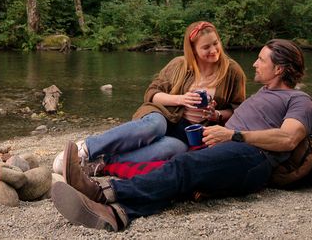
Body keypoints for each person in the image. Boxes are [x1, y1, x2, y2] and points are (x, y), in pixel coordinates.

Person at [51, 39, 312, 232]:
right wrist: (214, 119)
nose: (255, 63)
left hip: (253, 158)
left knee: (183, 166)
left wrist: (235, 136)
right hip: (227, 152)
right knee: (178, 176)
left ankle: (103, 193)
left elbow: (288, 138)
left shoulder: (299, 100)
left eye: (261, 59)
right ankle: (117, 214)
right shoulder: (264, 94)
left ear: (280, 69)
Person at [54, 21, 246, 174]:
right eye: (206, 47)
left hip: (189, 133)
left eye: (216, 43)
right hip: (163, 114)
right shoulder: (179, 65)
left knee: (174, 149)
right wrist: (181, 99)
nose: (213, 50)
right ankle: (86, 148)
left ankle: (101, 162)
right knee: (155, 126)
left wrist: (216, 115)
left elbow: (239, 110)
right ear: (193, 50)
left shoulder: (232, 72)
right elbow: (152, 94)